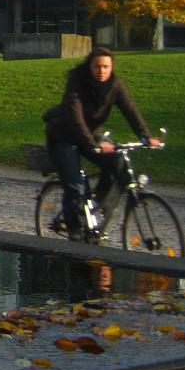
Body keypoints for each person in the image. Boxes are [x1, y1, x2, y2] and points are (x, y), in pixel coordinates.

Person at [42, 47, 163, 241]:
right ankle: (76, 232)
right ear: (89, 66)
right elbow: (75, 117)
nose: (102, 71)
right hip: (64, 137)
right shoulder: (77, 82)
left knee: (119, 164)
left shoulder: (114, 85)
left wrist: (145, 137)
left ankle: (96, 203)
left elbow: (129, 110)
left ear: (112, 67)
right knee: (75, 186)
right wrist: (93, 145)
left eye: (106, 66)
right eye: (97, 66)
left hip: (90, 135)